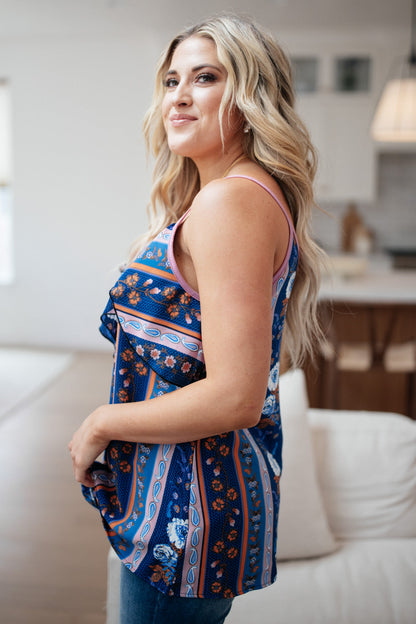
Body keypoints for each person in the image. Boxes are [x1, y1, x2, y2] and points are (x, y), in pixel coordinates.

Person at [69, 13, 324, 624]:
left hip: (188, 504)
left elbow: (236, 396)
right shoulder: (238, 194)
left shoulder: (232, 200)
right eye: (171, 80)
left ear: (250, 96)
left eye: (205, 78)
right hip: (188, 493)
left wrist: (103, 420)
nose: (178, 97)